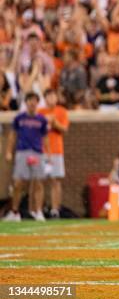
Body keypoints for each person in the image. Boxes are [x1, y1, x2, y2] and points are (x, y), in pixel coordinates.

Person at [3, 92, 49, 221]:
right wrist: (9, 151)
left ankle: (39, 212)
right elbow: (13, 135)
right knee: (18, 182)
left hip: (37, 152)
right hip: (22, 151)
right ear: (26, 102)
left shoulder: (42, 119)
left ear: (37, 103)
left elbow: (45, 138)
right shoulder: (20, 118)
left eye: (35, 100)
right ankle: (15, 211)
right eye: (30, 100)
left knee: (39, 182)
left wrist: (48, 154)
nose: (32, 103)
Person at [37, 89, 69, 219]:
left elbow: (64, 129)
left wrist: (54, 122)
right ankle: (38, 210)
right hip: (42, 150)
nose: (51, 98)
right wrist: (45, 121)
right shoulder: (40, 112)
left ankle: (55, 209)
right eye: (48, 96)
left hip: (56, 150)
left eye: (53, 96)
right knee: (39, 181)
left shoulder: (61, 111)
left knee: (55, 180)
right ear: (44, 98)